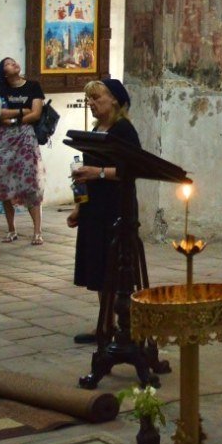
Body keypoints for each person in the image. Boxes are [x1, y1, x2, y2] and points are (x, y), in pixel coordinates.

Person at [69, 78, 142, 344]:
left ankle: (124, 325)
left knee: (116, 267)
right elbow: (85, 172)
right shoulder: (96, 129)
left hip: (117, 205)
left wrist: (97, 173)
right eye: (89, 99)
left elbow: (131, 168)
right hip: (94, 207)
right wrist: (79, 206)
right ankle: (106, 323)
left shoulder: (124, 130)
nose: (91, 103)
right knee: (100, 266)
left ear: (114, 100)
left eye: (96, 98)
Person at [0, 57, 46, 245]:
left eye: (14, 61)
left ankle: (37, 231)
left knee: (31, 182)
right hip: (4, 139)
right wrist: (22, 111)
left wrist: (14, 119)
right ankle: (11, 229)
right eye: (8, 63)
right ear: (4, 73)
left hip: (25, 138)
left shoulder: (33, 86)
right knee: (4, 183)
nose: (14, 63)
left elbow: (36, 113)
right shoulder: (0, 90)